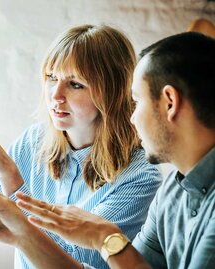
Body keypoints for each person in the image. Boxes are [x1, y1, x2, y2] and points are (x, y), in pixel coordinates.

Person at [0, 24, 161, 269]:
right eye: (51, 78)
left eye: (75, 84)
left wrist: (10, 177)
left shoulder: (140, 175)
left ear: (112, 91)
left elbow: (73, 261)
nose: (55, 95)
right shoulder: (32, 143)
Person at [11, 31, 215, 268]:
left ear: (170, 102)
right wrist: (21, 236)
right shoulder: (172, 192)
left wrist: (105, 237)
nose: (132, 118)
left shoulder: (143, 176)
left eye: (137, 102)